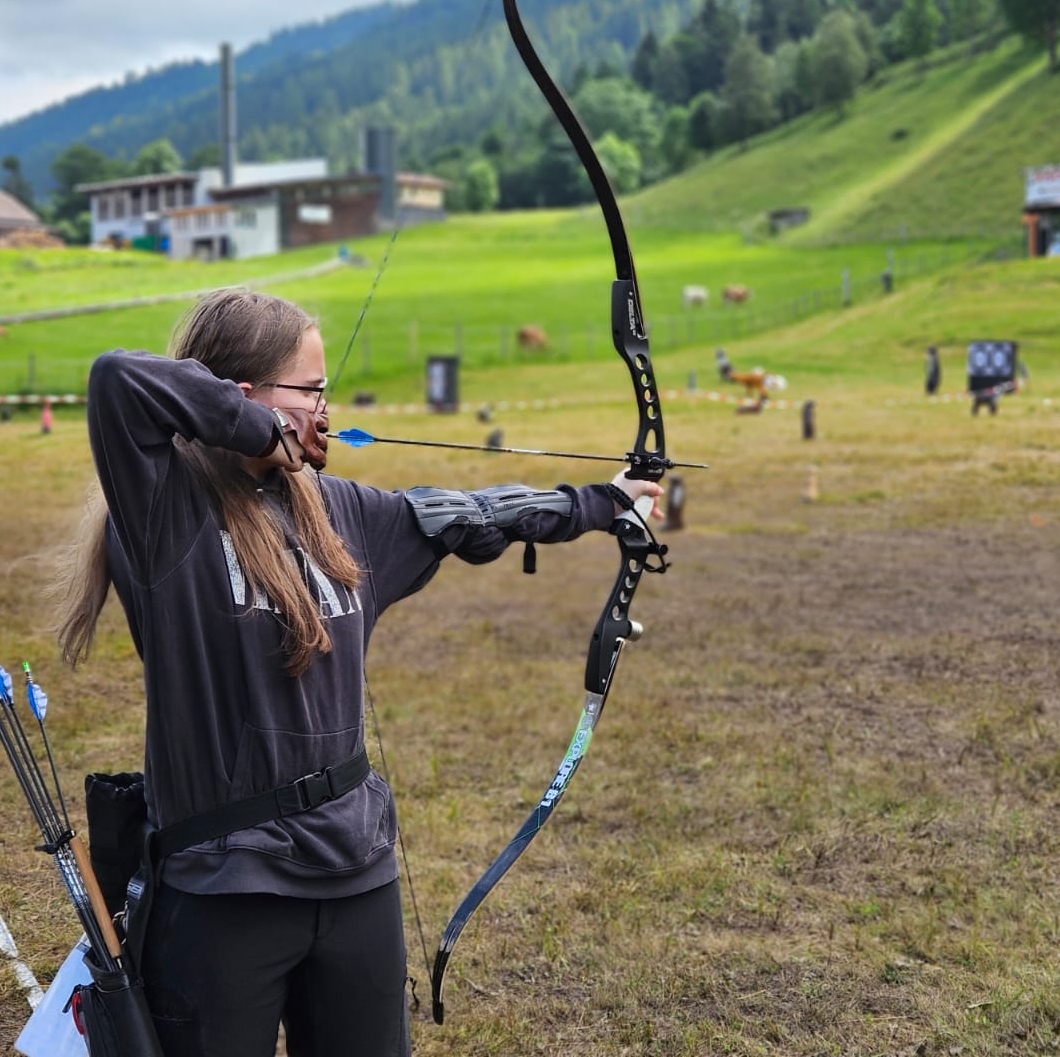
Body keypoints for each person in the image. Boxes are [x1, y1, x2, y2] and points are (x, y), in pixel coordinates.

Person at [52, 288, 660, 1056]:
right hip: (223, 887)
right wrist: (262, 431)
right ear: (243, 395)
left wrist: (604, 503)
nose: (326, 409)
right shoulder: (165, 514)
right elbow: (118, 379)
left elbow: (472, 515)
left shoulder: (340, 511)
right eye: (311, 390)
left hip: (356, 876)